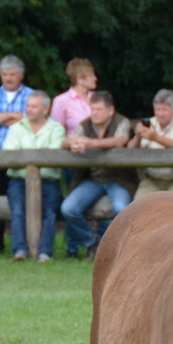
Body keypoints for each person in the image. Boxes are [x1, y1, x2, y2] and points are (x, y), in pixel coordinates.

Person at [59, 90, 133, 257]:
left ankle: (118, 249)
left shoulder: (122, 122)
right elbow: (65, 142)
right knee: (68, 208)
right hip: (93, 179)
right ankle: (92, 243)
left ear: (111, 111)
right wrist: (73, 144)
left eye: (99, 109)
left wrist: (90, 143)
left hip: (119, 180)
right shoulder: (85, 125)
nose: (95, 113)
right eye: (92, 109)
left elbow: (120, 141)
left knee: (121, 209)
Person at [0, 55, 33, 254]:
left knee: (24, 198)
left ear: (21, 75)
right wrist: (14, 115)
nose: (8, 78)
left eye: (12, 74)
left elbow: (31, 119)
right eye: (4, 74)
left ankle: (24, 241)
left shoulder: (31, 95)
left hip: (22, 156)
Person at [3, 91, 65, 261]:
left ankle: (45, 252)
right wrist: (39, 155)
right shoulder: (16, 128)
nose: (29, 109)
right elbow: (9, 154)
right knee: (17, 212)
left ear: (45, 110)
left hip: (48, 180)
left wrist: (26, 155)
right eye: (28, 106)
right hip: (19, 179)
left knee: (50, 213)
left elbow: (54, 154)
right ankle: (19, 250)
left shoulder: (56, 128)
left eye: (34, 106)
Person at [130, 88, 173, 200]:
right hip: (151, 180)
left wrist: (156, 137)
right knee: (138, 206)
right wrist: (137, 136)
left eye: (164, 110)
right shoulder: (150, 123)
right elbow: (130, 149)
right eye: (157, 109)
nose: (160, 114)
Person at [51, 58, 97, 137]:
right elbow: (55, 133)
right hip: (74, 143)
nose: (95, 78)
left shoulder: (97, 97)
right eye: (91, 76)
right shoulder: (61, 101)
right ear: (80, 80)